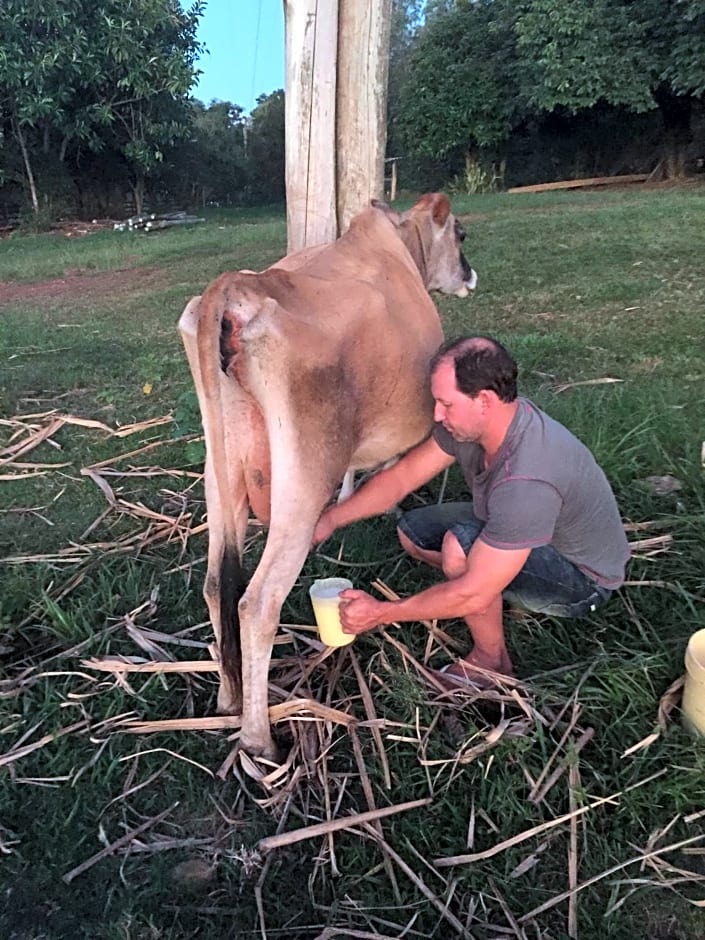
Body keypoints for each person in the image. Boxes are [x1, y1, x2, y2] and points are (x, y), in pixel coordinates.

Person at [312, 335, 630, 687]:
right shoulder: (479, 426)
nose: (436, 414)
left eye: (445, 404)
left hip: (582, 581)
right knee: (413, 532)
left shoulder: (527, 477)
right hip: (526, 527)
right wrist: (330, 519)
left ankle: (492, 662)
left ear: (484, 400)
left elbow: (472, 592)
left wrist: (380, 613)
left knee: (460, 552)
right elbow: (401, 478)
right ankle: (497, 578)